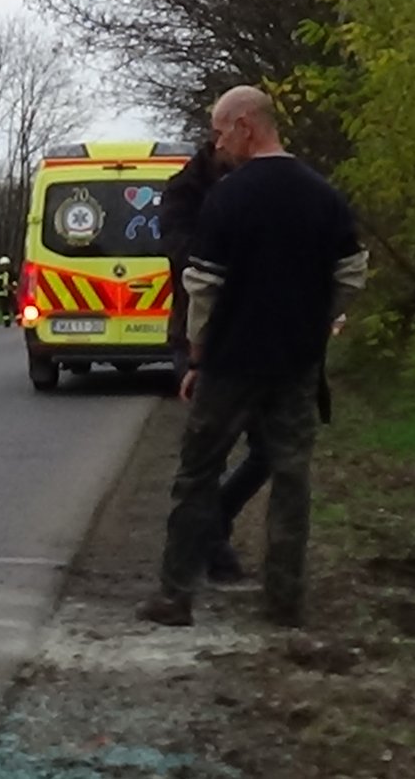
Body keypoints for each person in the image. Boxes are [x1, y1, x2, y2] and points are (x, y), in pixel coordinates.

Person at [138, 87, 367, 628]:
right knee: (292, 476)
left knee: (196, 474)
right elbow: (353, 272)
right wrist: (318, 317)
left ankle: (175, 596)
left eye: (220, 131)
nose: (218, 143)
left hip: (228, 363)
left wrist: (196, 356)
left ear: (245, 125)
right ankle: (284, 601)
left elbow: (203, 285)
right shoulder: (323, 195)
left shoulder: (228, 198)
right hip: (296, 363)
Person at [159, 138, 257, 582]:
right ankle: (209, 552)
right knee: (207, 452)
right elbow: (186, 257)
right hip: (194, 336)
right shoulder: (182, 192)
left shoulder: (257, 181)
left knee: (272, 448)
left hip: (256, 337)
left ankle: (215, 519)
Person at [0, 255, 19, 327]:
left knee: (15, 306)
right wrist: (0, 286)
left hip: (11, 292)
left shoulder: (12, 273)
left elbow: (15, 281)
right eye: (3, 265)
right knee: (4, 308)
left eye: (6, 265)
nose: (4, 267)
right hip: (2, 294)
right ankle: (7, 322)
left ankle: (18, 319)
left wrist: (12, 287)